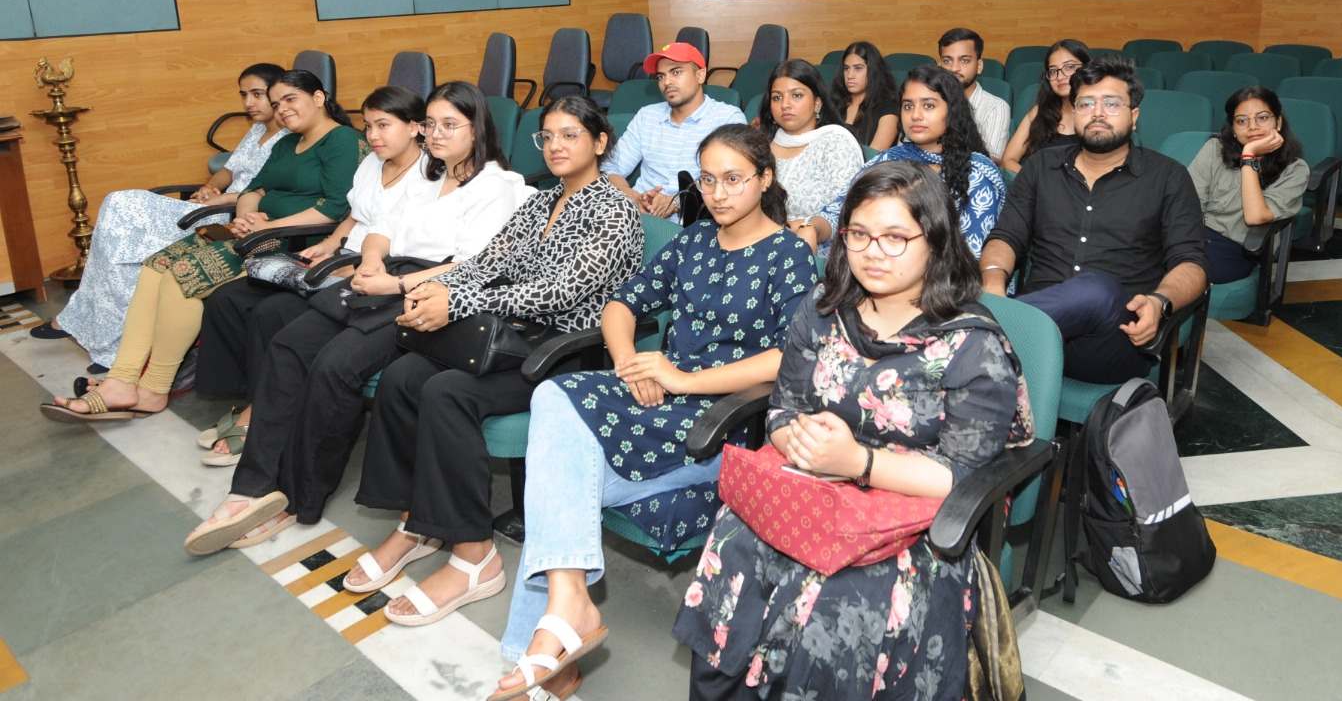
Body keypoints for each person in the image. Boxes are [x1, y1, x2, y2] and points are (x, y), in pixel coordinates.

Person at [674, 160, 1033, 701]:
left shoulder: (971, 344)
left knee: (838, 604)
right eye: (859, 234)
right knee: (737, 546)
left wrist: (858, 464)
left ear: (935, 241)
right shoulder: (824, 310)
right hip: (811, 487)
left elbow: (964, 475)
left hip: (911, 523)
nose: (873, 252)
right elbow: (784, 407)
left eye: (895, 238)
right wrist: (795, 441)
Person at [488, 125, 817, 701]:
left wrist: (684, 379)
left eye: (734, 179)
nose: (718, 194)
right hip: (655, 398)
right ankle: (566, 612)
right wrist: (628, 363)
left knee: (558, 482)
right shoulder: (695, 240)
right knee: (553, 396)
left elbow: (788, 356)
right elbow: (622, 303)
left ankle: (542, 654)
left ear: (765, 179)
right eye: (707, 180)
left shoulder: (789, 254)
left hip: (721, 419)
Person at [183, 82, 525, 553]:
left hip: (429, 292)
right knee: (288, 346)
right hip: (383, 275)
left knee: (334, 366)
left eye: (450, 125)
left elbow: (475, 265)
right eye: (431, 124)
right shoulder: (426, 174)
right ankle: (250, 488)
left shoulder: (496, 185)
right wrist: (372, 262)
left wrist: (394, 285)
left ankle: (298, 499)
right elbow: (381, 228)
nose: (436, 134)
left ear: (477, 127)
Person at [348, 96, 644, 627]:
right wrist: (432, 289)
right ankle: (417, 522)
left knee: (447, 392)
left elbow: (557, 292)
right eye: (547, 136)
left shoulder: (614, 211)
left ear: (600, 142)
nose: (555, 146)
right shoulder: (541, 201)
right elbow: (488, 262)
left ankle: (474, 556)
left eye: (570, 135)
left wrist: (457, 303)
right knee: (404, 375)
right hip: (511, 336)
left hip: (566, 353)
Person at [41, 69, 363, 422]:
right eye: (276, 104)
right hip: (255, 233)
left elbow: (335, 208)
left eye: (290, 99)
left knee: (182, 275)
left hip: (296, 242)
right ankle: (122, 379)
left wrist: (267, 226)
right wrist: (246, 217)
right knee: (155, 265)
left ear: (318, 97)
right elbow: (254, 189)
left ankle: (154, 388)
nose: (282, 109)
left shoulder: (342, 140)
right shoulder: (287, 143)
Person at [192, 85, 428, 464]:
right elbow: (353, 214)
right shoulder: (372, 163)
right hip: (343, 256)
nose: (372, 136)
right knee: (231, 298)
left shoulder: (429, 175)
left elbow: (408, 245)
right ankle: (258, 401)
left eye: (383, 125)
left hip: (376, 270)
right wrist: (329, 245)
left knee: (273, 312)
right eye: (368, 126)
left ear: (415, 127)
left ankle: (264, 416)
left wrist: (347, 262)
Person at [38, 63, 289, 363]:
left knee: (120, 212)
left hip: (226, 218)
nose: (248, 103)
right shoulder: (257, 129)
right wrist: (210, 187)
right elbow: (230, 169)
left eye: (257, 94)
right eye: (244, 95)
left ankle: (104, 338)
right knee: (115, 234)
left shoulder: (288, 138)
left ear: (278, 94)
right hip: (210, 205)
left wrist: (221, 200)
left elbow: (271, 191)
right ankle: (96, 328)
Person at [978, 58, 1207, 383]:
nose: (1097, 113)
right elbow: (1006, 236)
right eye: (1086, 104)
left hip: (1113, 340)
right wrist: (992, 282)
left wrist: (1160, 301)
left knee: (1096, 290)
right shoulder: (1041, 167)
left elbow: (1191, 264)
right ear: (1074, 113)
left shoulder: (1168, 177)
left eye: (1111, 104)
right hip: (1035, 338)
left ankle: (980, 331)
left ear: (1134, 116)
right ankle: (994, 330)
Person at [797, 65, 1005, 259]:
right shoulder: (888, 160)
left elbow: (970, 254)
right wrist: (813, 228)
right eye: (908, 106)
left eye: (928, 105)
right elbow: (839, 211)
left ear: (952, 112)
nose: (915, 115)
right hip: (871, 262)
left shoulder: (977, 173)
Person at [603, 41, 744, 219]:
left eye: (676, 72)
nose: (666, 82)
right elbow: (611, 165)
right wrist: (631, 195)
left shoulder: (727, 118)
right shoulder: (647, 116)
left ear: (700, 75)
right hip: (637, 216)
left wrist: (678, 201)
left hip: (696, 221)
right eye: (660, 76)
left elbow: (732, 178)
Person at [1187, 86, 1308, 284]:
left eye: (1262, 118)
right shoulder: (1214, 149)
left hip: (1237, 248)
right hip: (1196, 235)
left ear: (1278, 122)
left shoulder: (1295, 169)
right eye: (1242, 121)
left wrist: (1249, 156)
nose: (1252, 127)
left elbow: (1255, 217)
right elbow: (1189, 204)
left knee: (1175, 273)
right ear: (1233, 129)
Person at [757, 59, 863, 228]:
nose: (785, 105)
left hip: (818, 239)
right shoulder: (760, 146)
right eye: (777, 97)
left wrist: (804, 228)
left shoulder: (835, 142)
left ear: (817, 103)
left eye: (796, 95)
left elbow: (848, 210)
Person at [999, 39, 1089, 174]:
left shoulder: (1101, 114)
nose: (1060, 76)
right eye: (1053, 71)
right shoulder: (1038, 112)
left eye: (1069, 67)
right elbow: (1008, 160)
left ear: (1087, 69)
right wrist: (1037, 182)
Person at [937, 27, 1009, 160]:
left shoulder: (995, 107)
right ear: (939, 66)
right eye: (947, 61)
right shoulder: (925, 102)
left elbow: (990, 160)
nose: (954, 68)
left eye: (964, 60)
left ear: (979, 66)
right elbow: (906, 151)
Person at [829, 41, 899, 151]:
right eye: (846, 68)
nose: (850, 75)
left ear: (873, 71)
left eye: (858, 68)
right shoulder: (834, 102)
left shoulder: (889, 108)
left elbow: (874, 156)